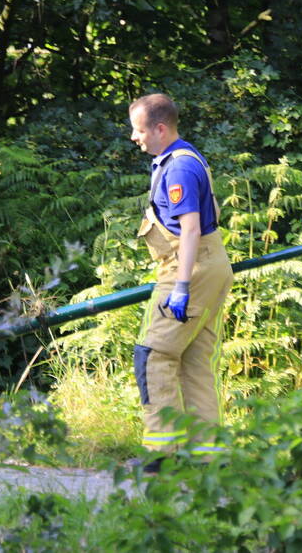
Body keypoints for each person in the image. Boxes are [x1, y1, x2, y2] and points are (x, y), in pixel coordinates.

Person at [127, 93, 234, 472]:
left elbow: (190, 229)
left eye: (139, 130)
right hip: (209, 265)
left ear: (160, 128)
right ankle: (209, 456)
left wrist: (181, 286)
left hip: (188, 268)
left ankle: (161, 455)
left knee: (154, 355)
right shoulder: (180, 158)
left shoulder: (179, 169)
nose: (134, 137)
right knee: (193, 361)